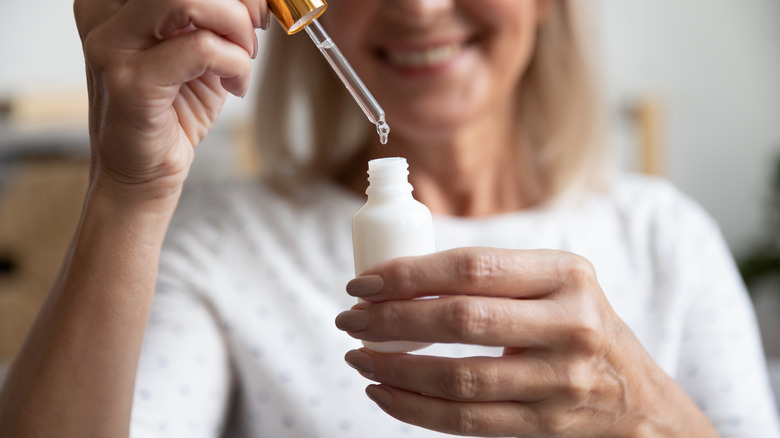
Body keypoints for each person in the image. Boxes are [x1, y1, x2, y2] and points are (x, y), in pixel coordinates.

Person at [0, 0, 778, 436]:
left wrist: (645, 419)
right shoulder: (222, 243)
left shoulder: (665, 237)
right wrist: (128, 192)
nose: (420, 7)